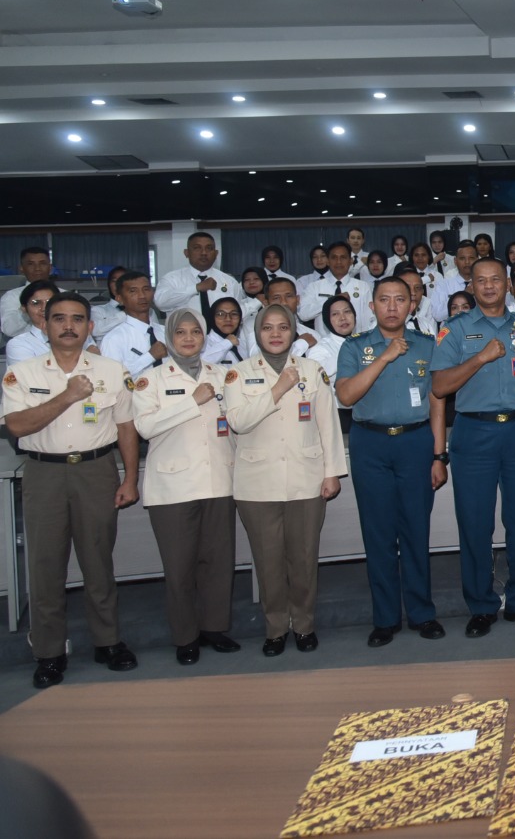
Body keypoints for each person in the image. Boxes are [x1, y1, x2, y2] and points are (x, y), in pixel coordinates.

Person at [3, 292, 141, 689]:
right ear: (44, 325)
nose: (68, 326)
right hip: (44, 474)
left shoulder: (112, 370)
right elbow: (16, 426)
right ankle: (49, 652)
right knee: (46, 567)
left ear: (90, 326)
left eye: (77, 319)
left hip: (96, 470)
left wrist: (130, 478)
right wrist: (68, 396)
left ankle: (108, 642)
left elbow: (126, 427)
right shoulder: (23, 373)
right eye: (59, 318)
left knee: (99, 561)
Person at [432, 257, 515, 637]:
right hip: (474, 433)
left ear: (508, 285)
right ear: (472, 286)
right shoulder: (454, 330)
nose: (487, 286)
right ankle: (481, 605)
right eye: (480, 281)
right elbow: (439, 386)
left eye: (495, 280)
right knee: (475, 522)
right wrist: (480, 358)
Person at [224, 305, 344, 655]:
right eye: (267, 328)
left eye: (283, 327)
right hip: (257, 482)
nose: (275, 334)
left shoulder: (312, 370)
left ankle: (304, 625)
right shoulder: (237, 374)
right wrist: (277, 389)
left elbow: (328, 426)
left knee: (304, 558)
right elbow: (238, 421)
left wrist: (332, 472)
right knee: (268, 560)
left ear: (293, 333)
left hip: (306, 478)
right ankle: (276, 628)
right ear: (256, 333)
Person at [336, 276, 448, 648]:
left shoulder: (427, 346)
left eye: (400, 299)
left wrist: (438, 454)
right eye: (384, 300)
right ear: (371, 307)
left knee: (416, 530)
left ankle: (421, 612)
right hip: (370, 443)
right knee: (379, 533)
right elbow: (348, 395)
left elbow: (436, 402)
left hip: (416, 443)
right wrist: (384, 356)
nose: (392, 306)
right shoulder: (355, 347)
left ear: (411, 306)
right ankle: (385, 618)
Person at [131, 306, 240, 664]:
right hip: (173, 487)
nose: (189, 338)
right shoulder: (152, 380)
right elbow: (145, 428)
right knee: (179, 567)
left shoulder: (224, 374)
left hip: (220, 480)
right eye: (181, 333)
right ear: (169, 338)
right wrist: (192, 403)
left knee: (218, 562)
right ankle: (185, 636)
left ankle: (213, 628)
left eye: (196, 332)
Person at [97, 271, 167, 378]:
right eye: (133, 291)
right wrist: (149, 357)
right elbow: (111, 378)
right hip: (134, 394)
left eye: (146, 289)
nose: (142, 296)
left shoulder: (166, 332)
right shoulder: (114, 339)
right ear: (119, 299)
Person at [154, 232, 239, 319]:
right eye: (197, 248)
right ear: (186, 253)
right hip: (184, 332)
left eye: (209, 248)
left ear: (216, 253)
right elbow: (161, 303)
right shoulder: (172, 279)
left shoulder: (229, 281)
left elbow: (237, 313)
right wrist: (196, 288)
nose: (204, 253)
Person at [307, 297, 358, 433]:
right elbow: (317, 376)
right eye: (335, 314)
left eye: (347, 312)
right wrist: (352, 356)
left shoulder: (363, 342)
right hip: (336, 412)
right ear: (327, 320)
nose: (343, 318)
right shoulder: (320, 349)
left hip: (364, 410)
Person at [300, 243, 373, 333]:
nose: (338, 262)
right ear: (327, 261)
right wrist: (331, 300)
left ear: (350, 261)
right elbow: (303, 314)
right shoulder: (314, 287)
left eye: (343, 257)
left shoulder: (363, 287)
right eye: (334, 258)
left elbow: (370, 319)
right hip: (324, 344)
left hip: (355, 342)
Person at [0, 246, 54, 338]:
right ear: (21, 268)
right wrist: (26, 311)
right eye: (31, 264)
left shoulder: (64, 295)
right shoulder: (11, 296)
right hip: (23, 348)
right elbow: (8, 330)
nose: (37, 268)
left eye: (42, 263)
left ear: (50, 268)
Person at [6, 279, 61, 369]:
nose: (44, 308)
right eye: (36, 303)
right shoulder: (19, 344)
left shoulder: (77, 335)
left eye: (50, 302)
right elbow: (32, 379)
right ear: (24, 308)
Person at [202, 296, 252, 364]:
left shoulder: (243, 344)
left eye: (234, 314)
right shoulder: (203, 343)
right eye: (220, 314)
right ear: (212, 317)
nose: (228, 319)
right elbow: (201, 364)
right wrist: (227, 343)